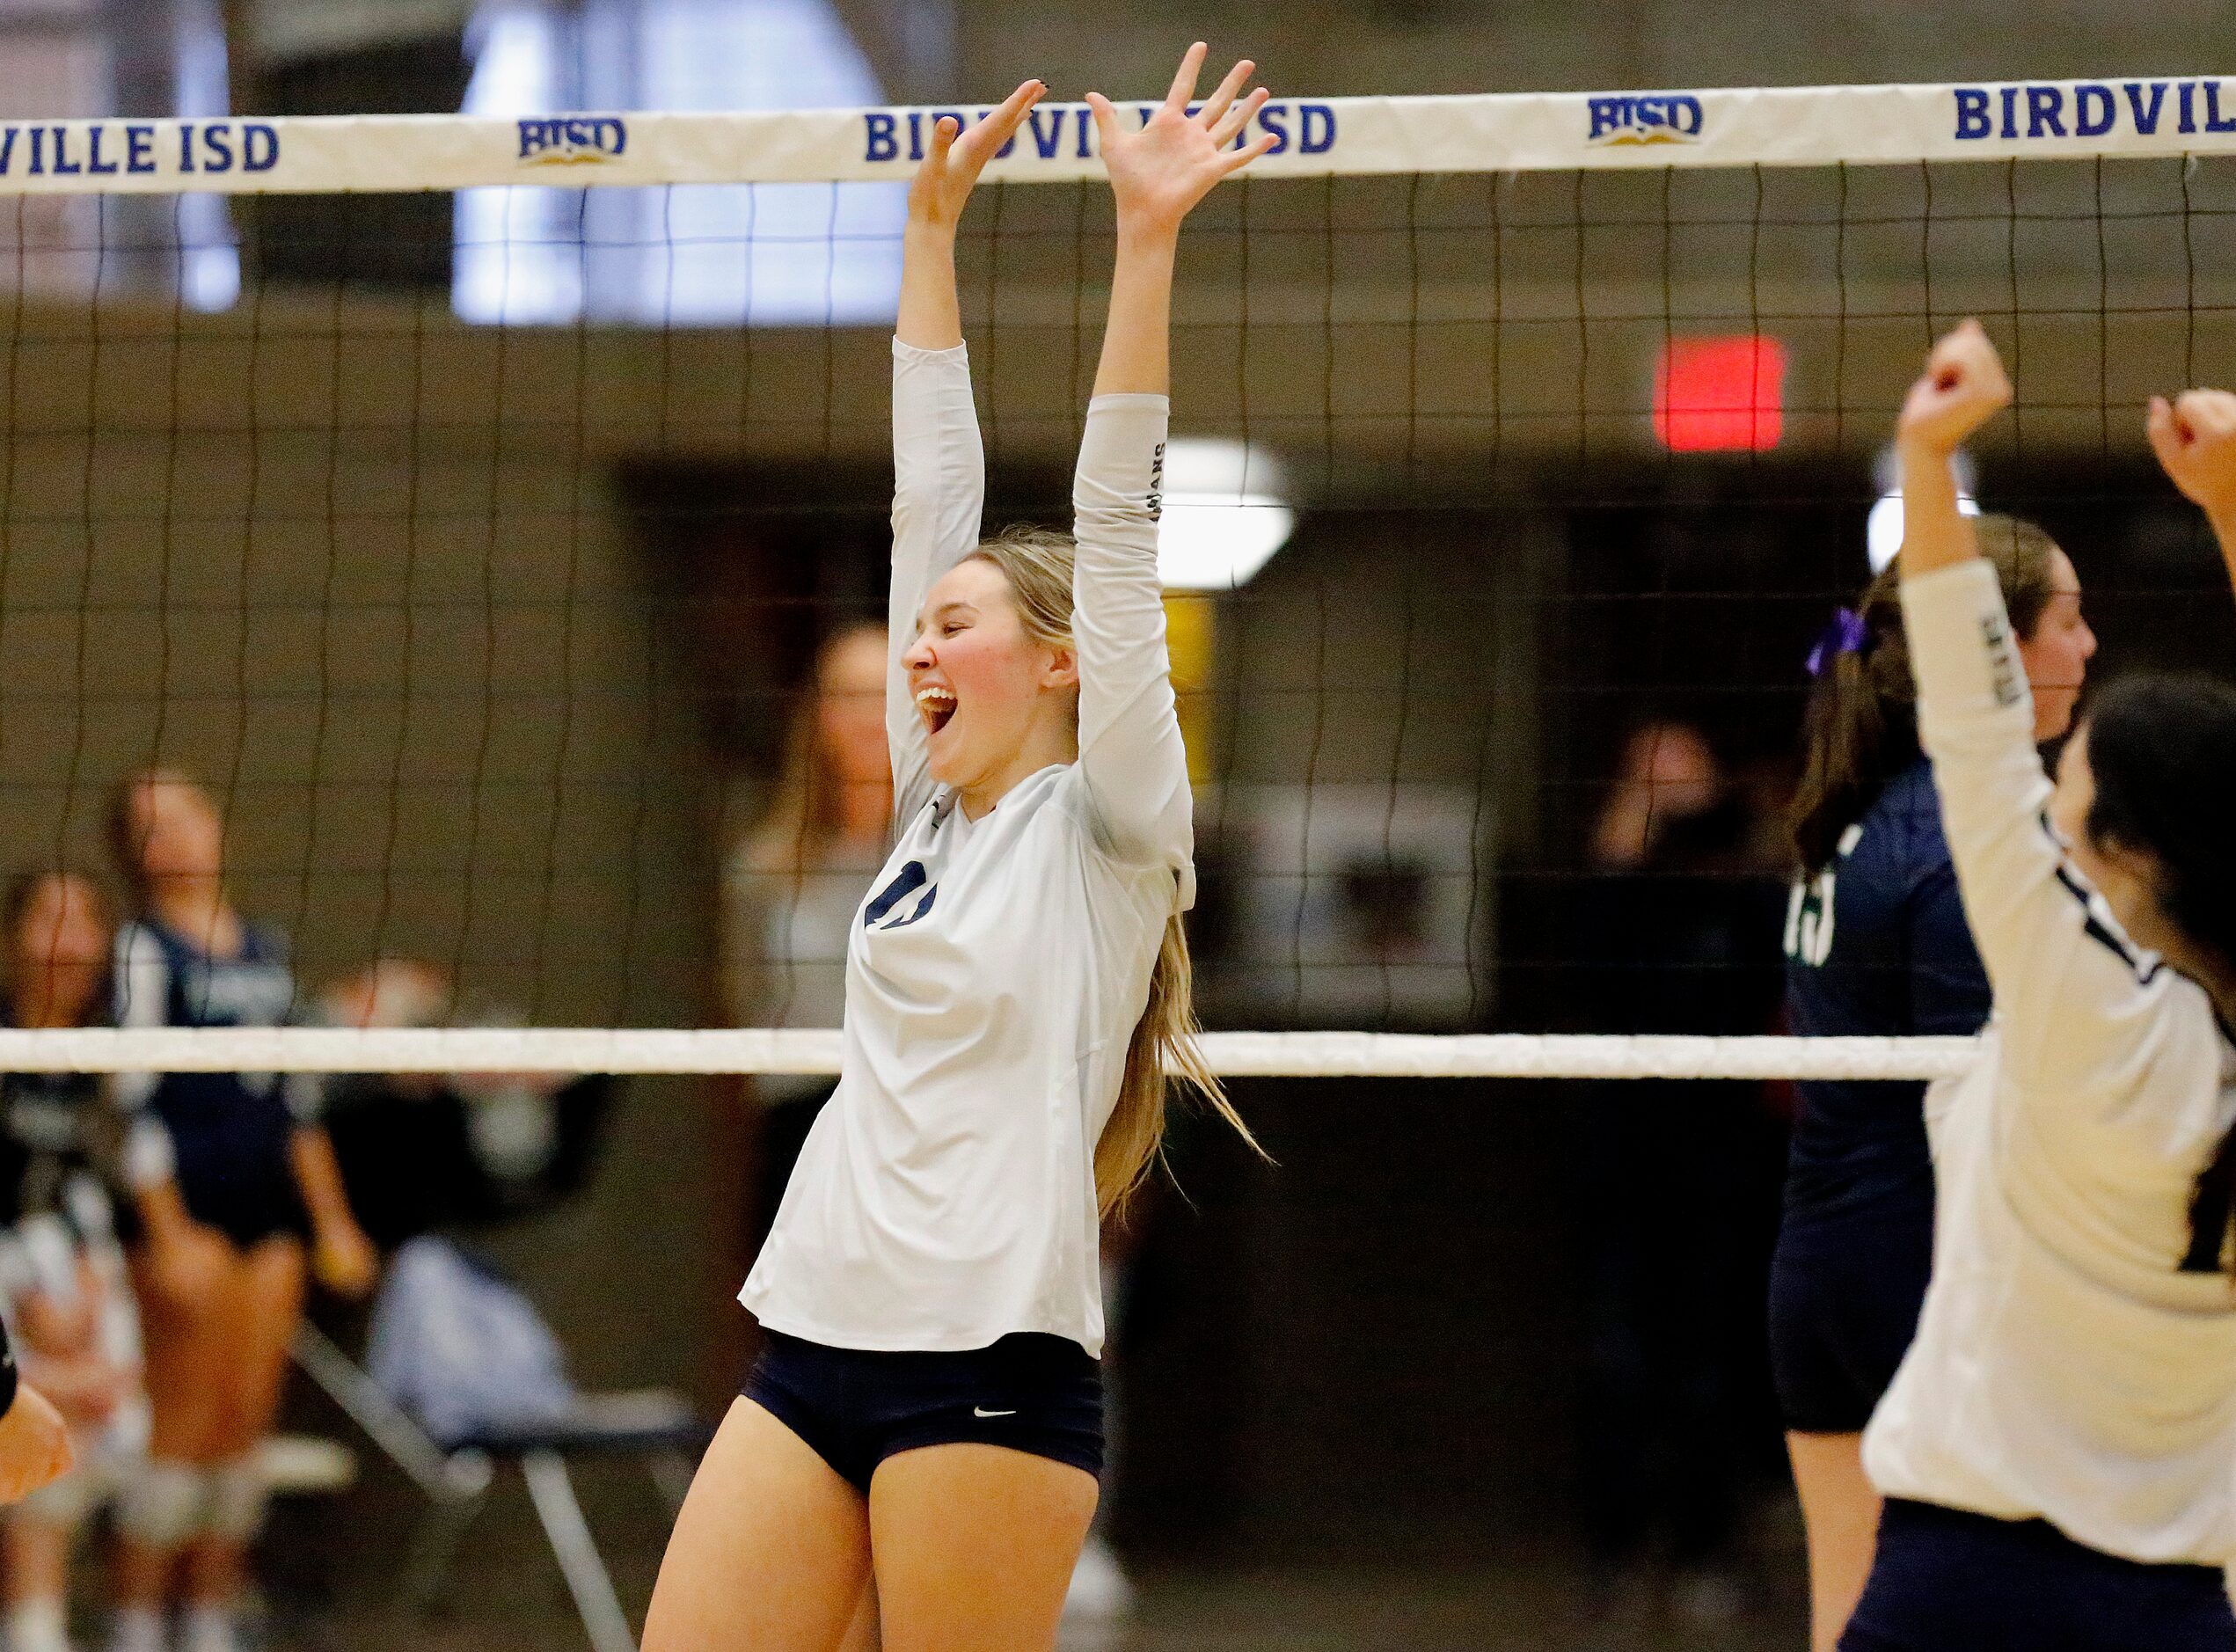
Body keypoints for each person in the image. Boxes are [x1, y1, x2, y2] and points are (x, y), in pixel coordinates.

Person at [643, 52, 1273, 1652]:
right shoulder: (930, 806)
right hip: (813, 1337)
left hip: (986, 1366)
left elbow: (1113, 530)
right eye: (915, 623)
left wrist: (1148, 241)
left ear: (1059, 662)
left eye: (956, 624)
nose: (918, 646)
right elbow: (933, 489)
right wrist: (925, 234)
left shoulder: (1114, 820)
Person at [1839, 319, 2236, 1649]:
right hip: (2181, 1608)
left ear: (2119, 848)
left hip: (1965, 1589)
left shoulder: (2087, 1018)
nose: (2049, 793)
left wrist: (1928, 454)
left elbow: (1969, 723)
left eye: (2069, 789)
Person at [1773, 524, 2095, 1648]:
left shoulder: (1850, 813)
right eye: (2068, 617)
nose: (2091, 644)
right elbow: (1985, 1114)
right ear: (1998, 651)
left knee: (1846, 1619)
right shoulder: (1969, 838)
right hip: (1928, 1274)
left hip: (1818, 1274)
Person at [105, 770, 377, 1652]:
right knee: (179, 1427)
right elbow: (129, 1097)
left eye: (188, 816)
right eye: (154, 826)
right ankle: (139, 1620)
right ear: (134, 854)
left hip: (271, 1212)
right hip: (188, 1211)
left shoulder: (264, 948)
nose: (177, 837)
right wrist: (168, 1232)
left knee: (244, 1423)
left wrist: (333, 1221)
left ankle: (212, 1616)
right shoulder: (143, 951)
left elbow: (294, 1100)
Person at [0, 871, 148, 1652]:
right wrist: (31, 1302)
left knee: (95, 1409)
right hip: (10, 1277)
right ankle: (34, 1624)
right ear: (11, 937)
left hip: (77, 1272)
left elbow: (103, 1188)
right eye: (48, 921)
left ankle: (62, 1620)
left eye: (86, 922)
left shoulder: (107, 1053)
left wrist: (85, 1290)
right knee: (31, 1412)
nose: (68, 942)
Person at [721, 621, 892, 1263]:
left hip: (915, 1122)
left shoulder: (955, 859)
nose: (869, 715)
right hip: (798, 1123)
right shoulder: (764, 868)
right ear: (818, 714)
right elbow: (743, 1005)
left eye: (886, 694)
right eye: (849, 695)